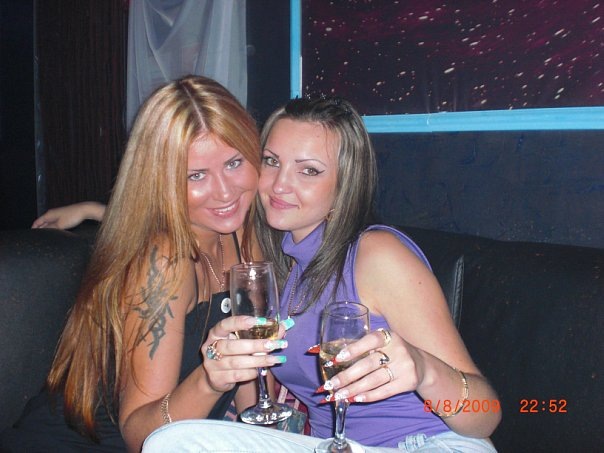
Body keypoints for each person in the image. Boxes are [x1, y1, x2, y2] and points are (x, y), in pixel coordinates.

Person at [142, 96, 501, 452]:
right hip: (333, 446)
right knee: (169, 443)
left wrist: (425, 370)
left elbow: (486, 414)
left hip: (426, 444)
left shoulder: (376, 256)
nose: (279, 185)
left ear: (345, 183)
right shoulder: (283, 267)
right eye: (271, 161)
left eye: (309, 170)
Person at [1, 75, 287, 452]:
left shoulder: (241, 231)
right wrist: (210, 379)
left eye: (234, 162)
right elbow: (140, 437)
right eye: (196, 175)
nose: (225, 192)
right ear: (161, 179)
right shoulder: (165, 261)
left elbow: (254, 396)